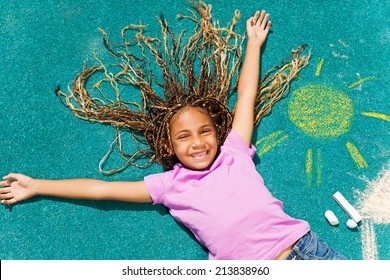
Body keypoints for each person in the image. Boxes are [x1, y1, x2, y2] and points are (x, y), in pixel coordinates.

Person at [0, 10, 346, 260]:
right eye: (184, 137)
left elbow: (246, 97)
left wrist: (253, 45)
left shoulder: (234, 151)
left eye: (205, 131)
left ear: (217, 133)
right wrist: (38, 185)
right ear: (169, 145)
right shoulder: (168, 185)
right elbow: (101, 188)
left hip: (306, 251)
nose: (197, 142)